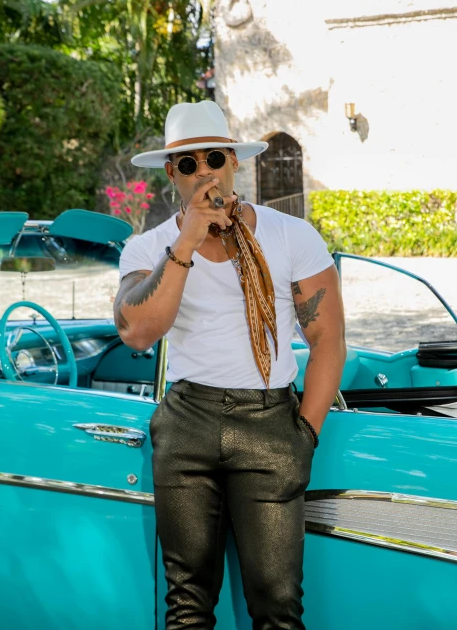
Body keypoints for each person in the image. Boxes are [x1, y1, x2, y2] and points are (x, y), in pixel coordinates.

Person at [115, 100, 346, 630]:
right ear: (171, 173)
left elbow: (329, 341)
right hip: (188, 421)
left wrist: (304, 433)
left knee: (277, 605)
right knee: (187, 605)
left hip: (269, 422)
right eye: (189, 164)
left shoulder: (293, 236)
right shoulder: (149, 248)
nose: (205, 172)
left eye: (213, 158)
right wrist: (189, 237)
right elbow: (137, 331)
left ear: (234, 162)